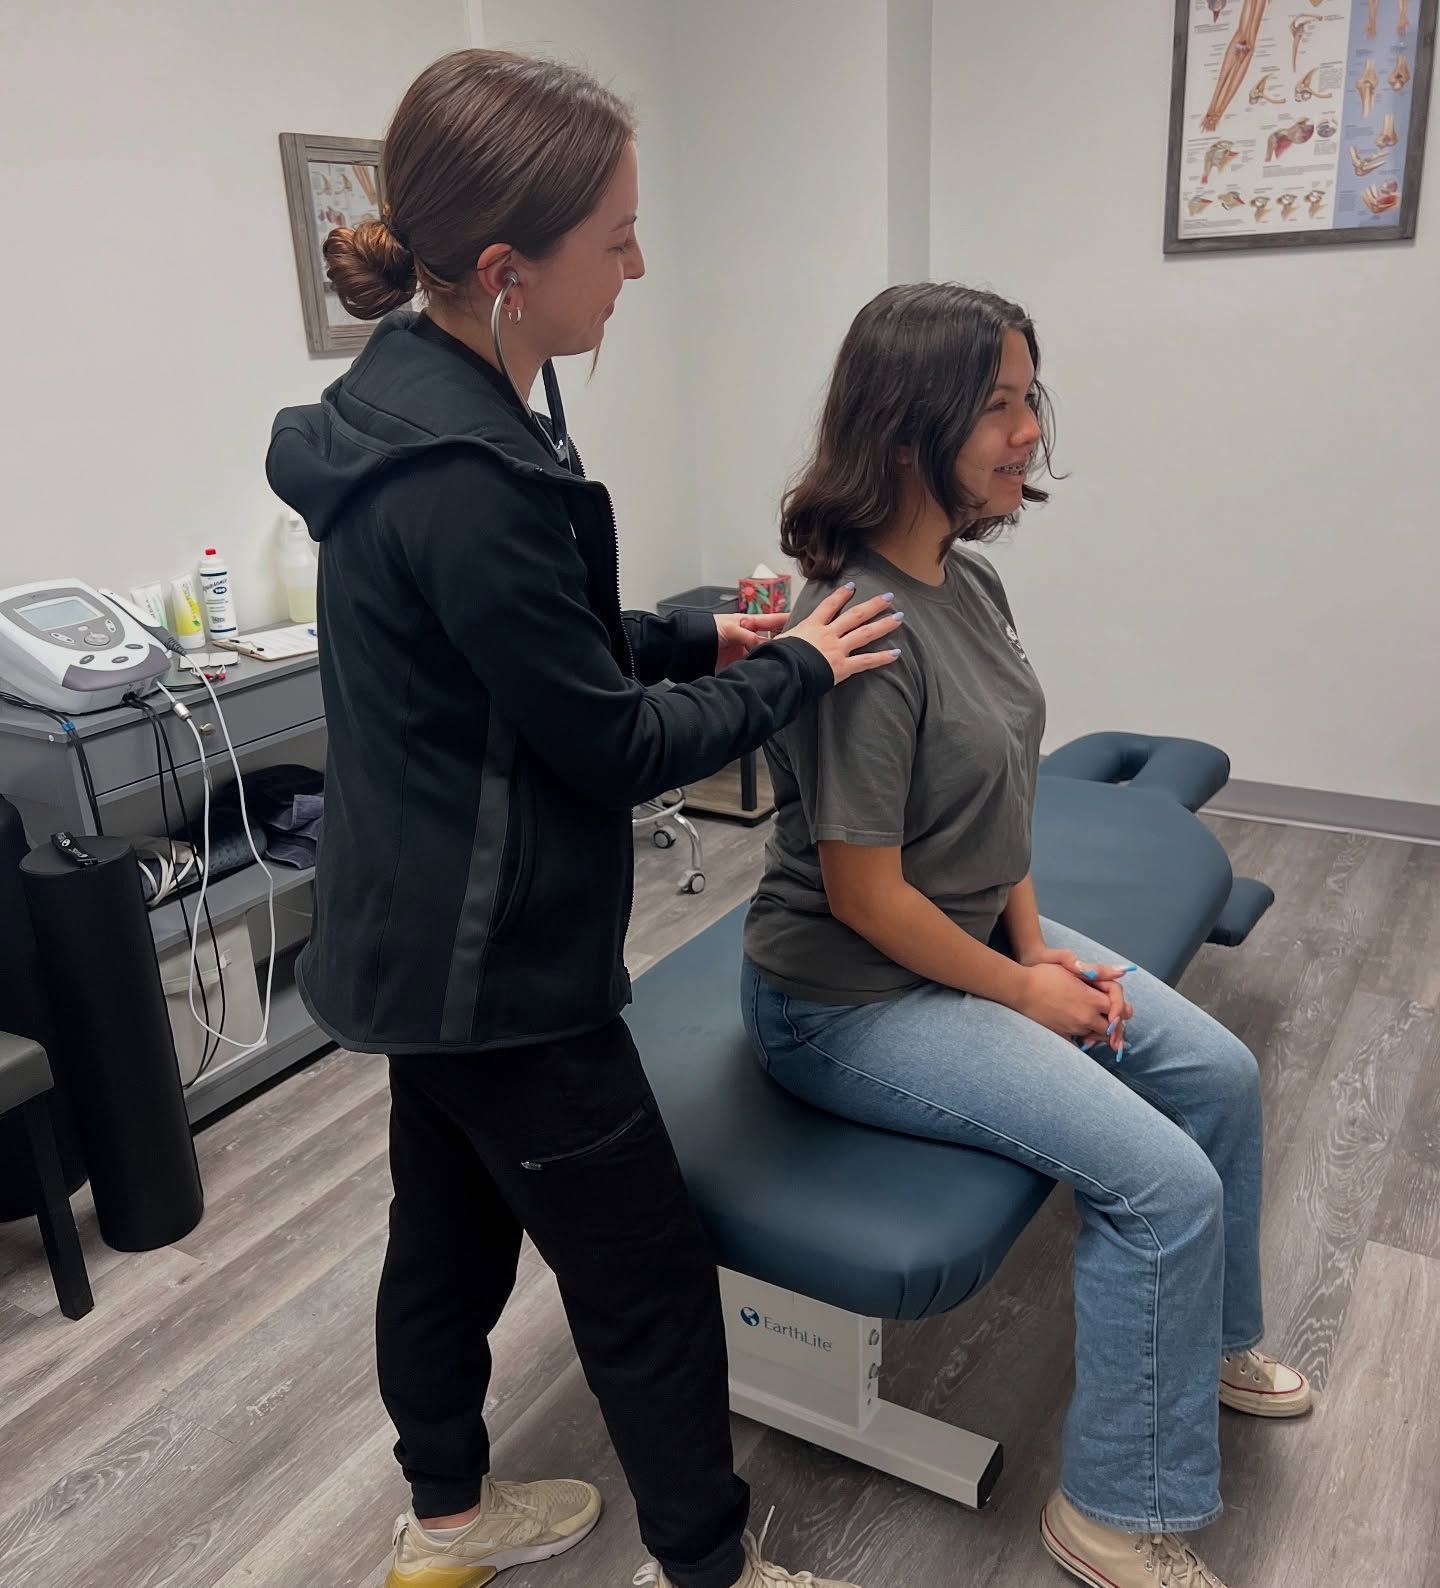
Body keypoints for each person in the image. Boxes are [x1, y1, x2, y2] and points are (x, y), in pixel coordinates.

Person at [266, 48, 902, 1588]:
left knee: (452, 1234)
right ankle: (710, 1567)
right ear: (505, 271)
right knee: (643, 1278)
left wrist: (698, 638)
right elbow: (608, 748)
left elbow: (521, 643)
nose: (636, 264)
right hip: (498, 969)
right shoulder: (473, 468)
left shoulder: (419, 399)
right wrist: (801, 669)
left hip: (408, 934)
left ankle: (448, 1522)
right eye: (615, 235)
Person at [740, 284, 1314, 1588]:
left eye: (1028, 396)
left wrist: (1037, 944)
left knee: (1216, 1074)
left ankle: (1208, 1343)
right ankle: (1114, 1513)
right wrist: (1020, 991)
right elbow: (865, 897)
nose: (1026, 430)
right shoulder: (863, 629)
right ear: (906, 429)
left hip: (967, 951)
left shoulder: (972, 582)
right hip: (846, 1001)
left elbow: (1001, 792)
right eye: (996, 403)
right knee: (1160, 1190)